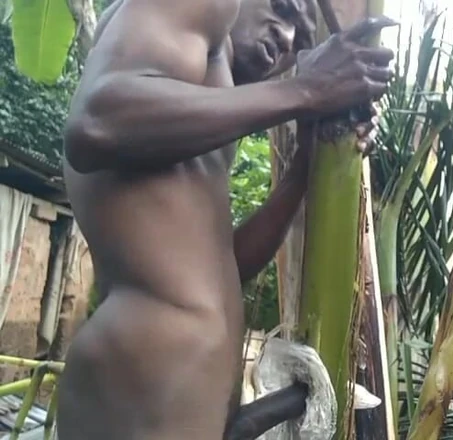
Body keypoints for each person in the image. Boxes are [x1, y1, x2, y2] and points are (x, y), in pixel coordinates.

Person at [56, 0, 396, 437]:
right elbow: (95, 123)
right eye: (283, 9)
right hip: (137, 388)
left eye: (301, 36)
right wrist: (308, 90)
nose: (288, 38)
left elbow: (217, 268)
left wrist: (302, 172)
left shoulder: (200, 101)